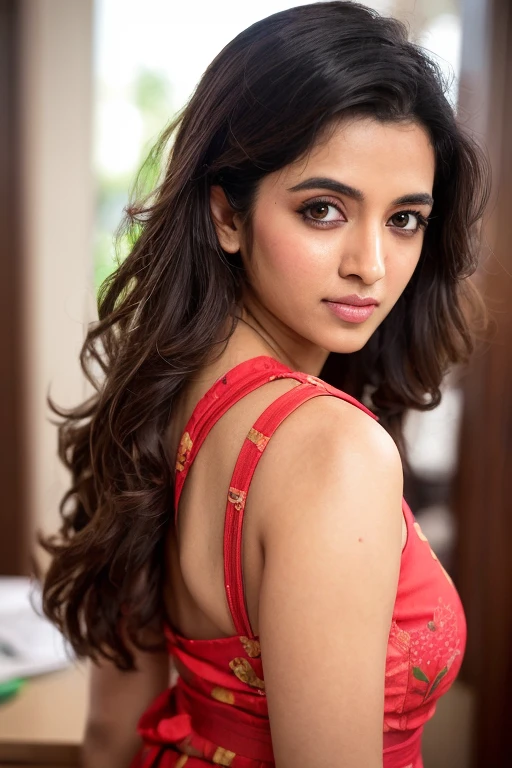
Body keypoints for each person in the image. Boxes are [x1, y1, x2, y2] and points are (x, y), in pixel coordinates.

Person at [40, 2, 490, 767]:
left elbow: (112, 735)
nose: (371, 265)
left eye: (405, 219)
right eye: (324, 210)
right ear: (227, 215)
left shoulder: (157, 405)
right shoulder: (337, 451)